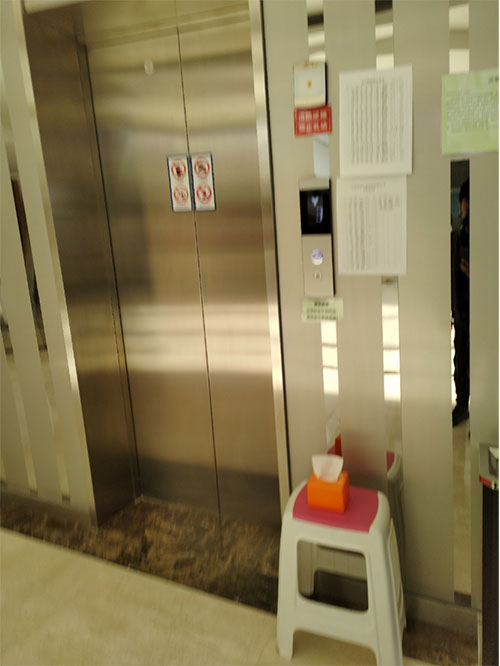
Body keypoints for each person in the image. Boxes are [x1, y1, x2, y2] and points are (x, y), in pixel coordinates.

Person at [451, 179, 469, 427]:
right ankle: (462, 404)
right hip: (461, 309)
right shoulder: (456, 236)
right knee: (461, 359)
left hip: (484, 310)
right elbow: (453, 275)